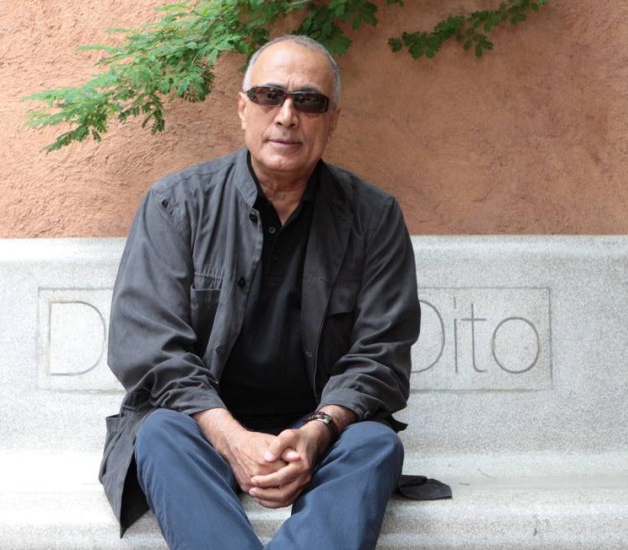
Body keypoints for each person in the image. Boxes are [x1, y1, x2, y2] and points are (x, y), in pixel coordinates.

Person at [100, 34, 420, 549]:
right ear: (243, 108)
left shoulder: (374, 217)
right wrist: (230, 437)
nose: (287, 116)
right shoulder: (175, 205)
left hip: (319, 430)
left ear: (332, 120)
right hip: (199, 426)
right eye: (270, 96)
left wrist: (317, 431)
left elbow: (380, 356)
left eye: (308, 101)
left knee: (374, 443)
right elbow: (149, 348)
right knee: (158, 433)